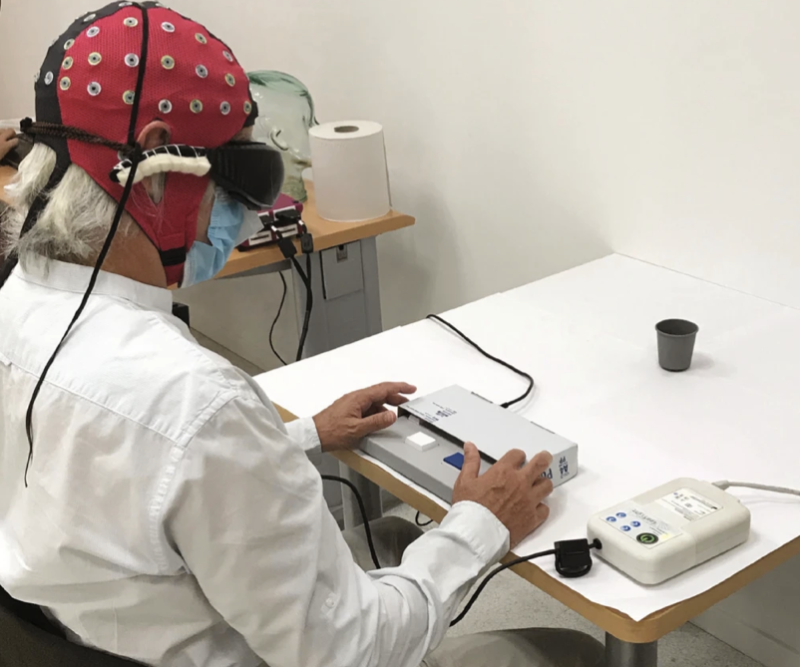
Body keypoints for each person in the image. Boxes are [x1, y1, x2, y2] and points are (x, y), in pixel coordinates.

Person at [0, 3, 603, 667]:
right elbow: (351, 650)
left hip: (85, 627)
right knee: (570, 650)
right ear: (160, 172)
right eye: (235, 185)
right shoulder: (195, 399)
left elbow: (130, 467)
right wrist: (484, 521)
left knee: (396, 532)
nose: (235, 220)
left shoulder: (17, 305)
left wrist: (299, 435)